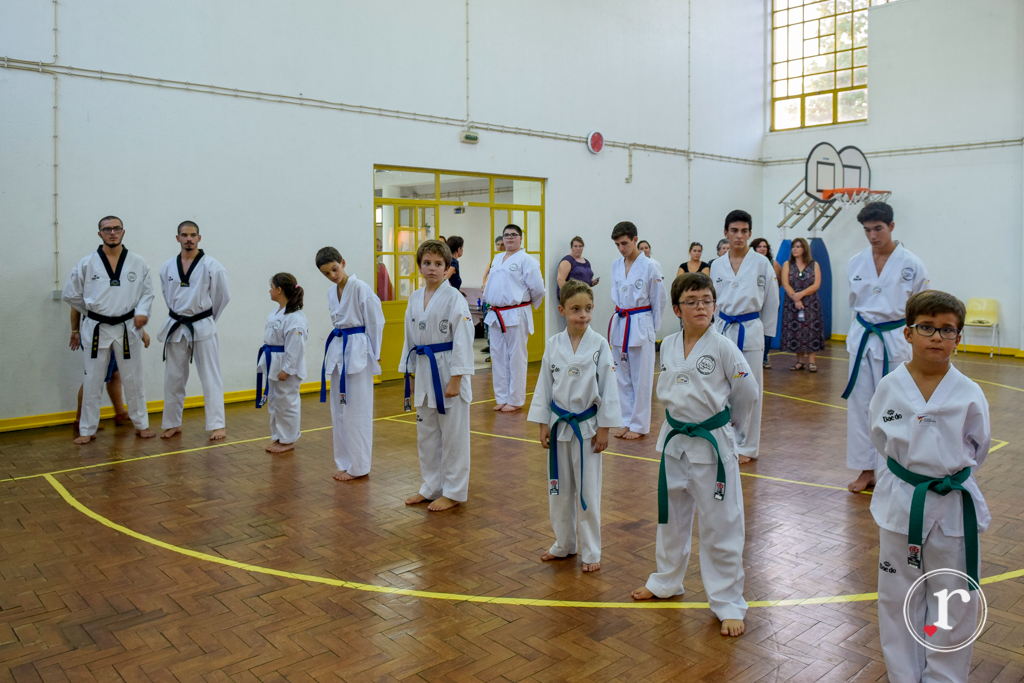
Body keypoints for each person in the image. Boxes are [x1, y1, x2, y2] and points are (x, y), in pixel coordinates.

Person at [870, 290, 989, 681]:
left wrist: (942, 476)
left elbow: (979, 448)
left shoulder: (969, 393)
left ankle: (944, 677)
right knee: (898, 598)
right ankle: (904, 675)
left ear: (958, 338)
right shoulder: (889, 387)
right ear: (907, 333)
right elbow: (879, 440)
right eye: (926, 327)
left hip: (952, 503)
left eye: (947, 330)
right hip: (901, 503)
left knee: (951, 599)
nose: (937, 337)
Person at [631, 272, 758, 638]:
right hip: (674, 441)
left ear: (715, 306)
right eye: (692, 301)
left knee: (721, 525)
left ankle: (728, 601)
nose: (701, 307)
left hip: (712, 444)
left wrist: (729, 428)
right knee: (670, 518)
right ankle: (666, 580)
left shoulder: (724, 347)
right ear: (677, 309)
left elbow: (748, 393)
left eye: (706, 301)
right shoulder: (669, 344)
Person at [528, 279, 622, 573]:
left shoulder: (600, 344)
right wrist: (543, 422)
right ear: (562, 311)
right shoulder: (553, 344)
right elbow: (544, 385)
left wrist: (605, 427)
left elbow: (608, 386)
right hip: (559, 425)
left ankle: (592, 550)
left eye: (588, 309)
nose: (583, 315)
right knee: (558, 489)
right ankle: (564, 543)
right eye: (576, 309)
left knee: (588, 492)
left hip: (587, 428)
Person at [845, 202, 929, 493]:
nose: (872, 236)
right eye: (867, 230)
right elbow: (853, 305)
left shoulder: (912, 264)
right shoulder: (856, 262)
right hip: (862, 338)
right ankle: (866, 469)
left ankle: (894, 469)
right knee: (860, 406)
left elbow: (921, 309)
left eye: (878, 229)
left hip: (895, 338)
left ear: (891, 226)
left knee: (895, 406)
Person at [63, 216, 155, 445]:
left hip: (127, 327)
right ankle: (87, 429)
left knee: (133, 378)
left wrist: (141, 313)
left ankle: (142, 425)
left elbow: (147, 293)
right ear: (99, 234)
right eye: (107, 229)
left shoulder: (138, 262)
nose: (112, 232)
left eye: (116, 228)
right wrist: (92, 311)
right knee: (92, 379)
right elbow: (71, 294)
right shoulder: (87, 263)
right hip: (97, 328)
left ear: (123, 232)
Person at [400, 240, 475, 512]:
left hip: (447, 368)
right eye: (427, 263)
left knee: (453, 435)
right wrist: (409, 374)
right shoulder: (414, 298)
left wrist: (457, 377)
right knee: (427, 433)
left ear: (447, 268)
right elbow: (409, 339)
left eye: (438, 264)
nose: (432, 268)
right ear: (420, 267)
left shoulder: (454, 298)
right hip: (423, 366)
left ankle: (453, 491)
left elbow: (464, 338)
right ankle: (432, 486)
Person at [709, 210, 779, 463]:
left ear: (750, 233)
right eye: (734, 231)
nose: (739, 236)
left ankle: (748, 446)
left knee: (750, 390)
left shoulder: (762, 263)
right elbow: (711, 302)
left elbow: (772, 301)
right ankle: (724, 439)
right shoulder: (716, 265)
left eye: (744, 231)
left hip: (750, 330)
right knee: (721, 389)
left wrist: (766, 338)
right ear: (725, 233)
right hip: (722, 329)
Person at [157, 221, 231, 441]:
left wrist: (207, 318)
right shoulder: (167, 266)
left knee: (210, 376)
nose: (188, 239)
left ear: (199, 238)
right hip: (176, 325)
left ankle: (217, 425)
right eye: (184, 235)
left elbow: (222, 296)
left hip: (203, 325)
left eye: (192, 235)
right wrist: (180, 313)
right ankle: (172, 423)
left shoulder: (212, 266)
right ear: (177, 238)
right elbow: (167, 294)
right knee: (173, 377)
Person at [316, 247, 385, 482]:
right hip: (338, 349)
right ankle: (345, 462)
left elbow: (376, 321)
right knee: (339, 411)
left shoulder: (360, 288)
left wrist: (375, 351)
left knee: (357, 411)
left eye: (335, 269)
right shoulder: (331, 292)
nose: (332, 275)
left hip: (358, 350)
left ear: (343, 263)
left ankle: (360, 465)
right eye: (326, 273)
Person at [608, 221, 668, 440]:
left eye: (624, 243)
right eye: (617, 244)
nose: (621, 248)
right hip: (621, 322)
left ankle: (639, 425)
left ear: (635, 239)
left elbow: (659, 299)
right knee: (621, 378)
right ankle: (625, 421)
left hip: (642, 323)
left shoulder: (650, 266)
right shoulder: (616, 265)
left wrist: (652, 327)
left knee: (641, 379)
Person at [482, 224, 545, 412]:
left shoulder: (528, 260)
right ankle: (502, 397)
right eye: (506, 235)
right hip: (495, 314)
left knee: (516, 357)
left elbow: (538, 289)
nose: (509, 238)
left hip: (516, 312)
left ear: (521, 238)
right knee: (498, 356)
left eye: (513, 235)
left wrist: (524, 305)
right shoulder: (497, 258)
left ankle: (516, 400)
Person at [70, 308, 151, 434]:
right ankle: (81, 419)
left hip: (116, 331)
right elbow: (75, 306)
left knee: (115, 373)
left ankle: (120, 412)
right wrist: (75, 331)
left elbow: (122, 309)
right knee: (93, 378)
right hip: (100, 333)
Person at [256, 273, 307, 454]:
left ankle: (288, 439)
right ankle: (278, 436)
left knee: (287, 403)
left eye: (271, 287)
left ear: (279, 290)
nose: (269, 290)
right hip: (273, 360)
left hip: (286, 364)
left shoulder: (296, 318)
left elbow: (296, 346)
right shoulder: (276, 312)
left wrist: (288, 369)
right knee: (275, 402)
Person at [780, 237, 824, 372]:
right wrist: (796, 299)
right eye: (793, 247)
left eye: (798, 246)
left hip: (810, 303)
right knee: (796, 331)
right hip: (792, 303)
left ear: (804, 249)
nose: (794, 249)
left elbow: (816, 284)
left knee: (811, 331)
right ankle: (800, 361)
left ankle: (812, 362)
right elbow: (785, 283)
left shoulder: (814, 264)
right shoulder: (787, 264)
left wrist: (801, 294)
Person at [750, 237, 782, 370]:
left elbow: (778, 282)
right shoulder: (749, 263)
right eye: (759, 246)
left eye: (765, 246)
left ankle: (765, 357)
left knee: (767, 329)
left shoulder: (774, 264)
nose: (762, 249)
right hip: (754, 302)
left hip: (769, 301)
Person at [481, 234, 505, 361]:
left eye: (502, 244)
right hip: (488, 299)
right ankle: (491, 349)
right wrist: (485, 287)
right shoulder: (493, 260)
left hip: (500, 301)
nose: (500, 247)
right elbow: (485, 275)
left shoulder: (507, 260)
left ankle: (497, 354)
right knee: (488, 326)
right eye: (498, 244)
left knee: (498, 329)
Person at [556, 236, 600, 301]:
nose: (578, 249)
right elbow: (560, 280)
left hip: (584, 296)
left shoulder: (586, 262)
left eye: (580, 246)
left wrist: (592, 282)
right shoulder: (567, 261)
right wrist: (569, 296)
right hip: (571, 298)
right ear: (571, 247)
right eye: (575, 246)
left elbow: (586, 279)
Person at [375, 237, 394, 302]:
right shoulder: (369, 267)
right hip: (376, 301)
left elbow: (389, 284)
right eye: (377, 246)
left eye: (381, 247)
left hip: (388, 301)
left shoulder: (382, 265)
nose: (379, 249)